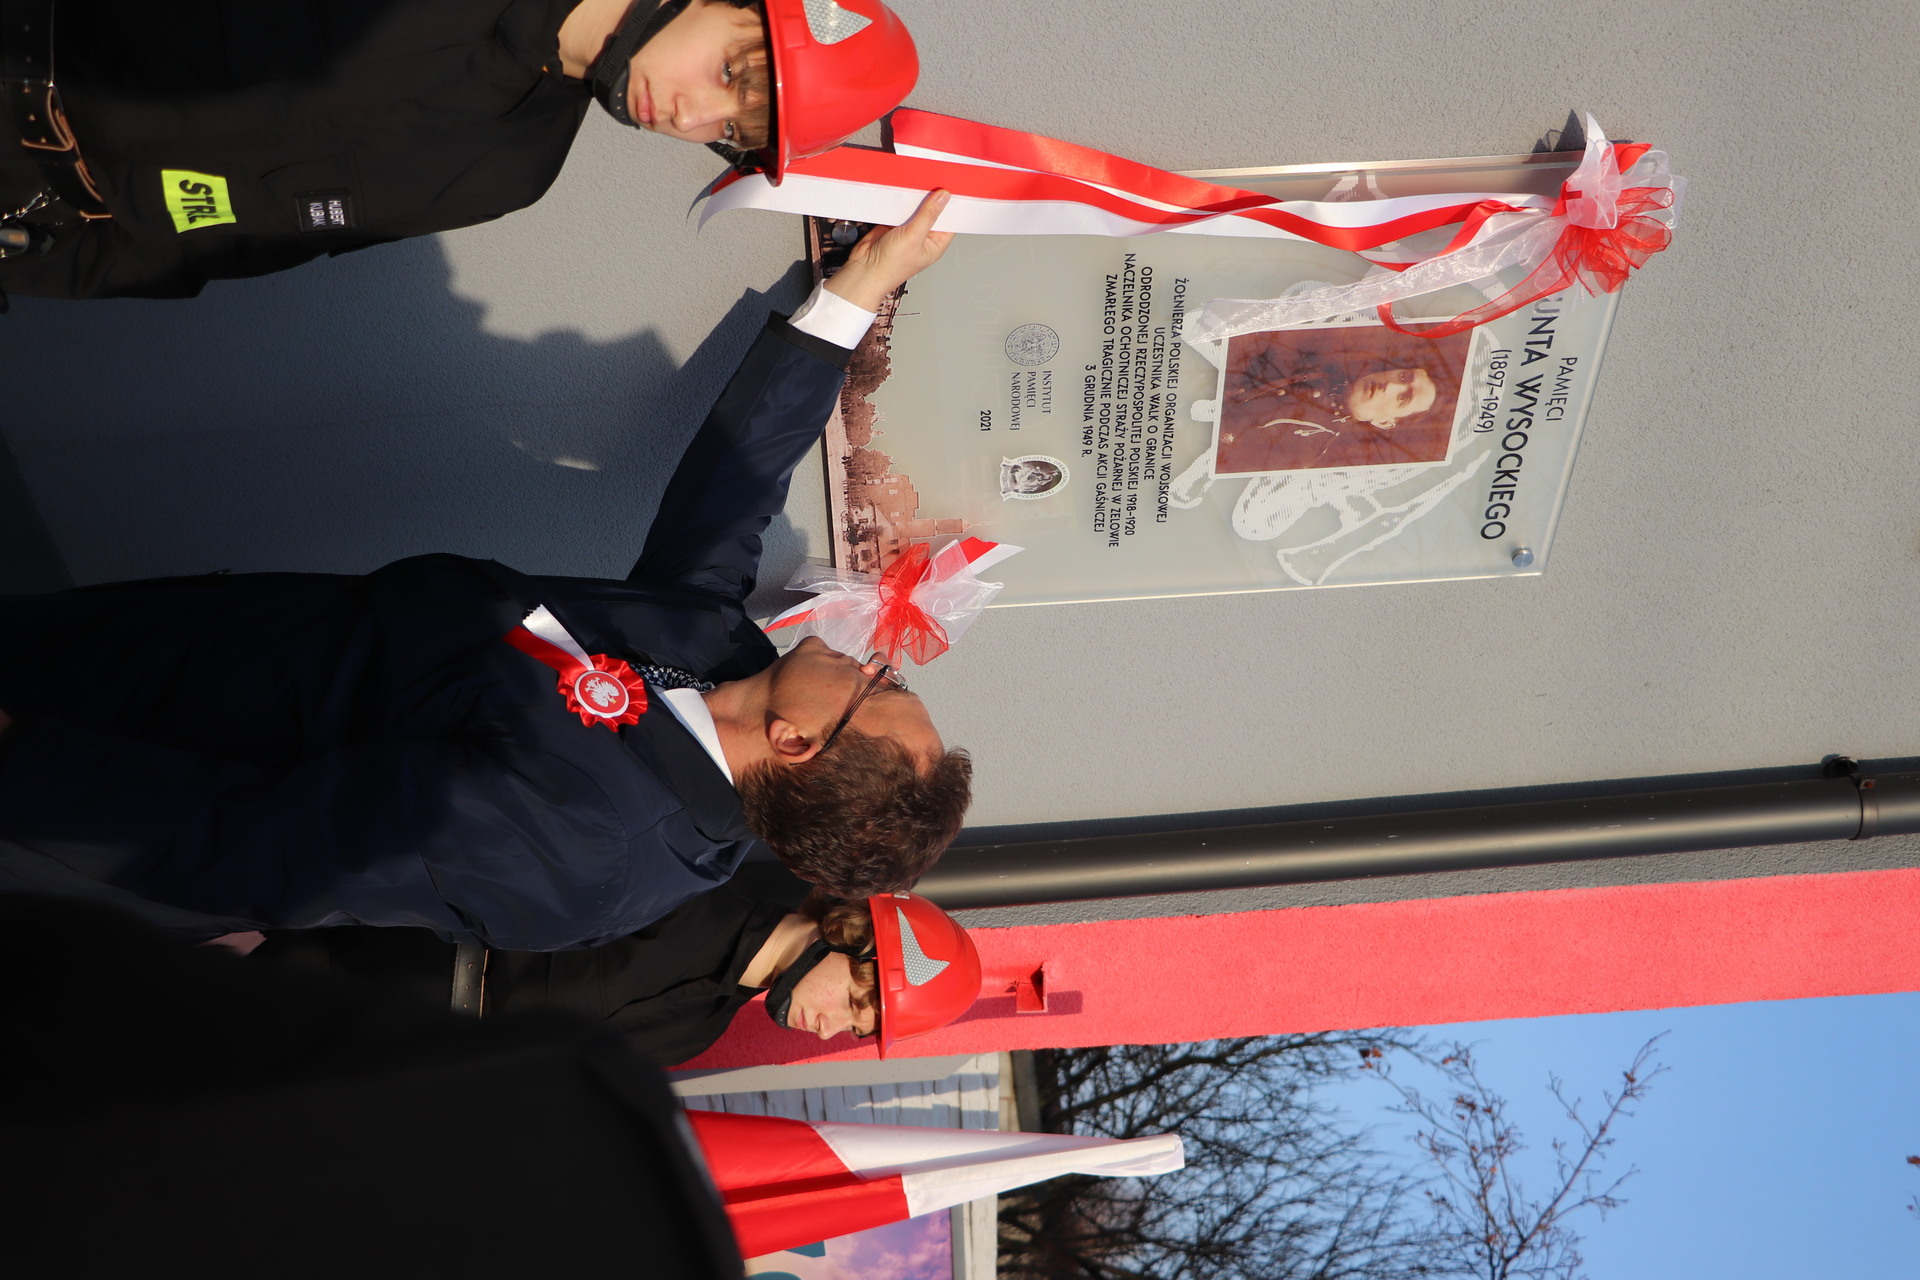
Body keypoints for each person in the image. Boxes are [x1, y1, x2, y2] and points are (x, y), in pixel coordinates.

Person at [0, 190, 966, 951]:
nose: (875, 661)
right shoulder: (720, 653)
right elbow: (730, 495)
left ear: (796, 743)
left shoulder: (593, 853)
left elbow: (258, 847)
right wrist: (856, 294)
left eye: (877, 688)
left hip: (112, 757)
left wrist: (25, 764)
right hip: (202, 639)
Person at [0, 0, 918, 300]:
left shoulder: (510, 172)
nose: (688, 114)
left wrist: (44, 262)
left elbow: (237, 244)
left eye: (726, 131)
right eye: (728, 72)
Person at [253, 874, 984, 1067]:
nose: (830, 1031)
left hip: (386, 1065)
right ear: (851, 937)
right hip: (354, 965)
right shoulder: (689, 886)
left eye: (854, 1030)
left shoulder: (699, 1032)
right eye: (856, 1005)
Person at [1214, 328, 1468, 474]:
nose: (1390, 385)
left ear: (1384, 422)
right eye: (1403, 376)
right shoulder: (1317, 355)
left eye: (1403, 397)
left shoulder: (1306, 448)